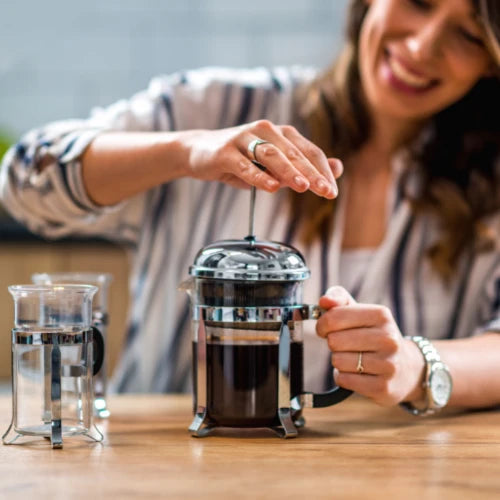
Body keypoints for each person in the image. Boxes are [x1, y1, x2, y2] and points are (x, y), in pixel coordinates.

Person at [1, 0, 500, 414]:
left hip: (384, 474)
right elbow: (24, 180)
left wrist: (419, 364)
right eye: (417, 2)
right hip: (157, 467)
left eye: (470, 35)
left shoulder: (490, 184)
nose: (422, 47)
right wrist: (185, 150)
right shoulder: (217, 108)